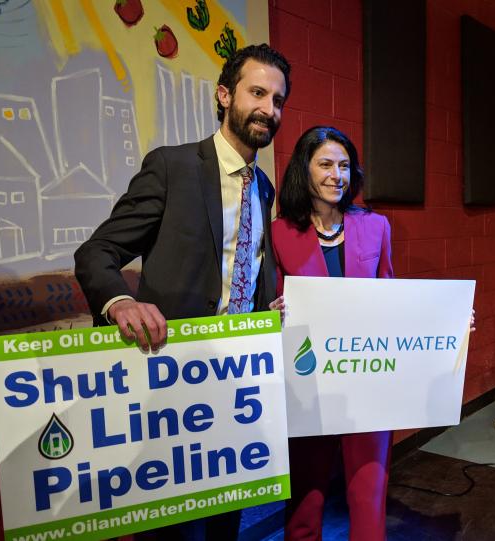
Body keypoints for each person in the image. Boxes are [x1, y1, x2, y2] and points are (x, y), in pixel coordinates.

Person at [74, 43, 291, 541]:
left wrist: (266, 308)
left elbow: (242, 268)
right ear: (224, 95)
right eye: (257, 92)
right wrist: (120, 302)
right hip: (171, 385)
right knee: (167, 530)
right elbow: (97, 253)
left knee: (225, 523)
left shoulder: (264, 188)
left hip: (235, 386)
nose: (268, 109)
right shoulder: (172, 167)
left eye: (278, 100)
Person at [271, 126, 393, 541]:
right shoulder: (280, 232)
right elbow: (268, 299)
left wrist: (447, 323)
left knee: (369, 492)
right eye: (325, 164)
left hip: (368, 376)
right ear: (304, 170)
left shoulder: (376, 226)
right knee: (305, 496)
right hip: (309, 381)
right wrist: (273, 312)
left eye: (343, 165)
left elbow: (394, 298)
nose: (335, 175)